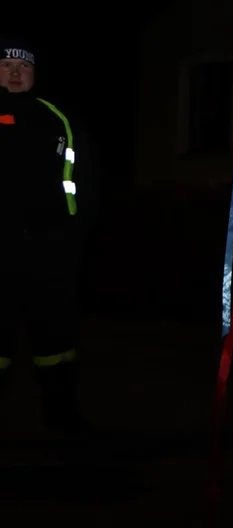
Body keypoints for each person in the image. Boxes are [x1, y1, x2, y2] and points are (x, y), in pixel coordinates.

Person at [0, 37, 85, 434]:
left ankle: (62, 423)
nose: (16, 73)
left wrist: (69, 238)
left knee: (54, 339)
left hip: (47, 250)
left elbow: (79, 184)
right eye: (6, 66)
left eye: (24, 67)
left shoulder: (57, 118)